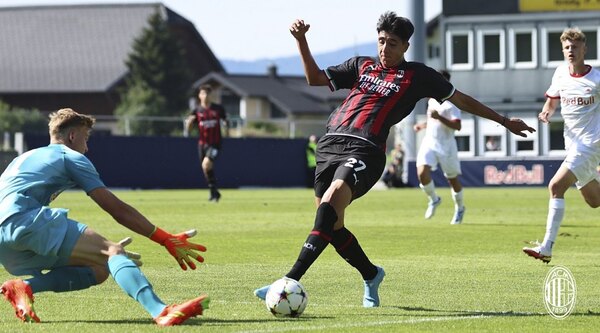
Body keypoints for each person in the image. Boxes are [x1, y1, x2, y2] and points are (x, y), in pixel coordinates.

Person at [253, 12, 535, 308]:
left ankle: (287, 281)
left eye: (392, 44)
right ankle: (371, 274)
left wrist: (503, 120)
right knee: (331, 226)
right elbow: (315, 79)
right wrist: (301, 41)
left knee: (329, 206)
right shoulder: (361, 65)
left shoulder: (418, 76)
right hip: (330, 145)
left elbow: (461, 99)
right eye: (381, 41)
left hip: (365, 150)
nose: (385, 49)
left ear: (406, 47)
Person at [0, 108, 208, 326]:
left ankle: (24, 286)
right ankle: (161, 312)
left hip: (4, 241)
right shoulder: (69, 156)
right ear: (72, 136)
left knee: (98, 269)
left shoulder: (23, 157)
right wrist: (164, 238)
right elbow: (116, 209)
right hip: (23, 219)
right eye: (86, 138)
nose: (87, 147)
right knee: (112, 252)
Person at [523, 27, 600, 263]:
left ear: (584, 49)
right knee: (594, 200)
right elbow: (552, 101)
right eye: (567, 47)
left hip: (591, 143)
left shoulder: (596, 78)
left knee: (555, 186)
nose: (571, 51)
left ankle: (546, 247)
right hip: (573, 143)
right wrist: (546, 112)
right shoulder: (560, 73)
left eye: (575, 47)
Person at [413, 69, 466, 224]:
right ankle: (434, 199)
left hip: (447, 145)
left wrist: (440, 117)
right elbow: (432, 120)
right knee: (422, 173)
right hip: (430, 141)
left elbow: (458, 126)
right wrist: (422, 125)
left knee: (453, 180)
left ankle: (460, 208)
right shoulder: (432, 100)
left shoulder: (453, 103)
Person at [185, 84, 228, 202]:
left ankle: (214, 192)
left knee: (206, 164)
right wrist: (189, 124)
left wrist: (226, 127)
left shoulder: (218, 109)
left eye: (207, 93)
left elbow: (225, 122)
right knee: (206, 169)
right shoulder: (196, 110)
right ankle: (214, 192)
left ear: (210, 95)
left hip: (215, 143)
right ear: (199, 95)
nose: (205, 96)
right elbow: (189, 129)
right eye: (203, 93)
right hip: (202, 144)